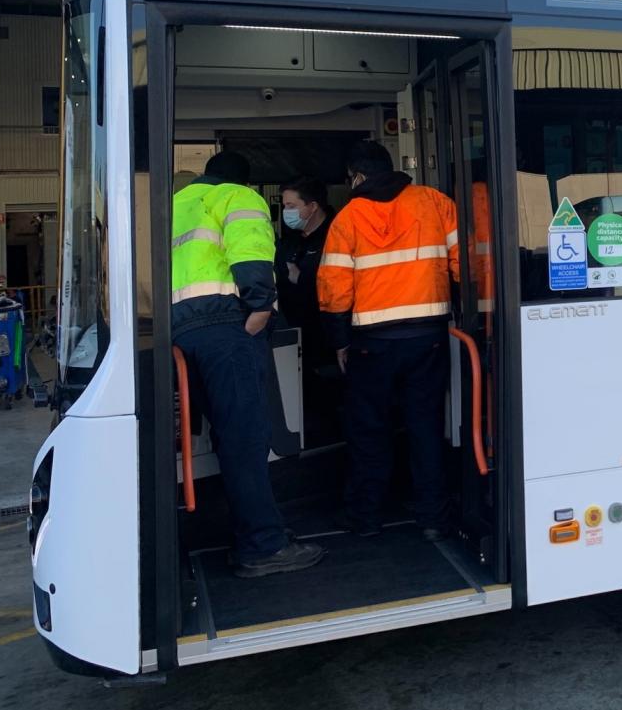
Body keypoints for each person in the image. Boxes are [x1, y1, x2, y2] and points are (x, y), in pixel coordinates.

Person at [172, 150, 324, 577]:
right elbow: (251, 254)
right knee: (246, 438)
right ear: (242, 180)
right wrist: (261, 307)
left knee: (227, 433)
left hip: (183, 329)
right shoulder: (237, 197)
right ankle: (262, 546)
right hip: (226, 323)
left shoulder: (176, 204)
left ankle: (253, 532)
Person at [318, 141, 460, 540]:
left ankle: (365, 517)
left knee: (369, 431)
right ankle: (434, 518)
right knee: (425, 427)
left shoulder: (348, 217)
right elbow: (464, 263)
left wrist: (339, 341)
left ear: (358, 176)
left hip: (370, 343)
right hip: (428, 336)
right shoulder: (435, 202)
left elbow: (334, 287)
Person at [276, 176, 340, 441]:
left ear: (313, 206)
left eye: (291, 206)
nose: (286, 212)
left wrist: (300, 278)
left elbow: (335, 283)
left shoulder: (337, 235)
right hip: (294, 338)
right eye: (284, 206)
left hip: (328, 339)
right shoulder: (290, 240)